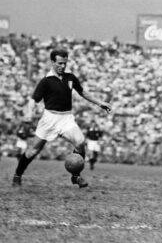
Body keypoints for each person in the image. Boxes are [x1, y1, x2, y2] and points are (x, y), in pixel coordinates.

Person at [13, 49, 112, 188]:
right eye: (59, 63)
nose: (63, 66)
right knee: (33, 151)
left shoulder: (70, 77)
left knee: (80, 142)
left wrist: (100, 103)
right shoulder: (46, 81)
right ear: (52, 62)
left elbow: (83, 92)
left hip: (66, 118)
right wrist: (29, 113)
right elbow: (33, 100)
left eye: (65, 63)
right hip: (49, 119)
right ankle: (17, 175)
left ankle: (76, 176)